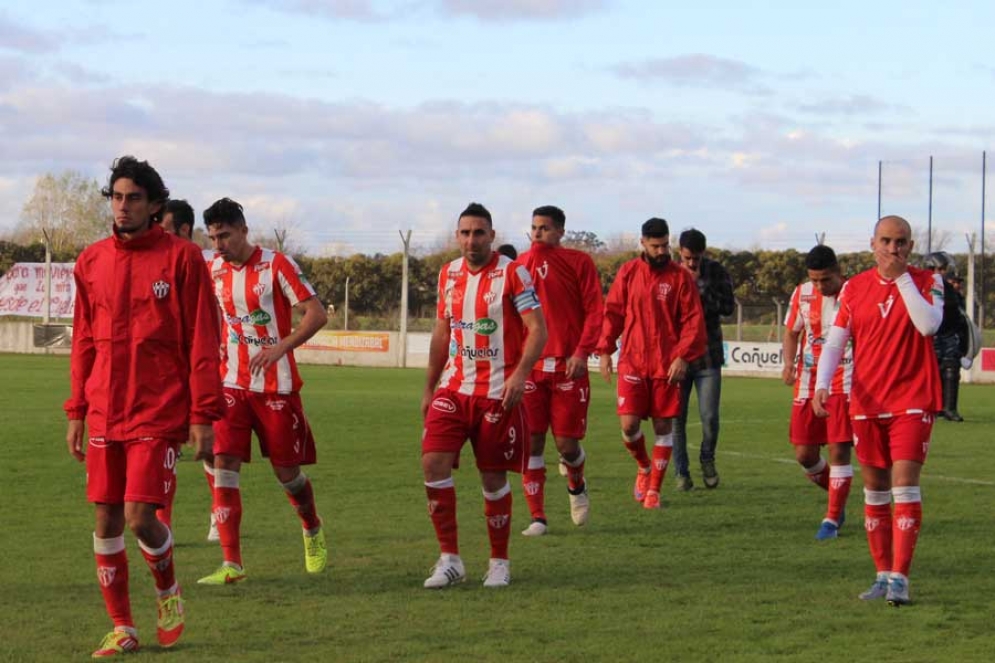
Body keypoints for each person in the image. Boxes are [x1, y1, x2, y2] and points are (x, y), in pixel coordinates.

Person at [64, 156, 223, 657]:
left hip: (159, 409)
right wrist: (76, 410)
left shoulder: (182, 259)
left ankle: (166, 589)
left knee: (139, 517)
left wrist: (202, 414)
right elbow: (84, 341)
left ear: (155, 205)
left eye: (134, 198)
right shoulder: (90, 261)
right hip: (104, 408)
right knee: (106, 521)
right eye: (116, 196)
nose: (123, 206)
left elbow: (202, 337)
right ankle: (122, 626)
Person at [198, 198, 329, 585]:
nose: (219, 244)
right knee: (224, 465)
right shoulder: (212, 268)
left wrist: (280, 347)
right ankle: (231, 563)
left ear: (243, 230)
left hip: (277, 386)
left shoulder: (277, 265)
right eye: (213, 237)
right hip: (230, 384)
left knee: (288, 474)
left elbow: (317, 313)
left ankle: (311, 526)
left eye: (225, 235)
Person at [814, 215, 943, 606]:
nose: (893, 248)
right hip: (866, 403)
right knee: (875, 492)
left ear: (910, 245)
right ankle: (882, 575)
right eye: (886, 241)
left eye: (901, 241)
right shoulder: (854, 288)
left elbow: (928, 326)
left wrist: (902, 278)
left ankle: (901, 578)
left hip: (912, 400)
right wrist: (822, 383)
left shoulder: (927, 281)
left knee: (904, 487)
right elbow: (836, 342)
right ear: (873, 244)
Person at [421, 202, 547, 588]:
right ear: (457, 236)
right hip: (454, 389)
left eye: (478, 232)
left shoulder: (513, 274)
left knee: (492, 479)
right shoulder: (449, 274)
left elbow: (537, 329)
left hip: (497, 392)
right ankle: (450, 560)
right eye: (464, 232)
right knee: (433, 465)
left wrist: (520, 375)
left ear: (492, 236)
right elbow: (443, 332)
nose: (470, 239)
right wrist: (429, 386)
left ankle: (499, 562)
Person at [597, 218, 706, 510]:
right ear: (643, 243)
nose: (661, 251)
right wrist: (606, 350)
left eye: (664, 245)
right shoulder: (629, 272)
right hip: (633, 361)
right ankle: (644, 466)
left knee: (662, 426)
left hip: (666, 365)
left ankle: (654, 491)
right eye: (655, 246)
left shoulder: (680, 278)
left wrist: (683, 356)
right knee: (629, 425)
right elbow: (614, 312)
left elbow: (693, 321)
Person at [517, 205, 603, 536]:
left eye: (545, 228)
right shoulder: (519, 266)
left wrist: (583, 352)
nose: (538, 233)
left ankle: (576, 486)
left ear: (560, 232)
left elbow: (595, 310)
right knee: (532, 442)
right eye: (534, 227)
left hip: (568, 367)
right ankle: (537, 516)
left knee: (567, 445)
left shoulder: (578, 262)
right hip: (531, 370)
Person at [159, 199, 220, 542]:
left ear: (184, 230)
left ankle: (218, 513)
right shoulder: (161, 265)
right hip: (170, 373)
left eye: (166, 230)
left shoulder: (204, 265)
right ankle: (163, 522)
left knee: (211, 447)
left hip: (209, 370)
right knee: (167, 451)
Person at [782, 245, 853, 540]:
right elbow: (791, 332)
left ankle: (832, 518)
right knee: (804, 454)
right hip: (809, 382)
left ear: (838, 272)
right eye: (815, 280)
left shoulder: (855, 292)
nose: (820, 286)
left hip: (846, 380)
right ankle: (839, 494)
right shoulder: (802, 293)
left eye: (826, 280)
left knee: (839, 450)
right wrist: (788, 363)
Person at [671, 228, 735, 491]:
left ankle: (707, 458)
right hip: (678, 358)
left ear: (704, 253)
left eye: (696, 258)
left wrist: (700, 285)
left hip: (708, 355)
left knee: (709, 417)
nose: (691, 263)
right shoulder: (670, 275)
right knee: (677, 419)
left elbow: (728, 307)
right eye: (687, 258)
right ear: (679, 253)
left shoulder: (716, 272)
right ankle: (681, 472)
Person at [923, 252, 967, 422]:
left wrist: (962, 338)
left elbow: (959, 314)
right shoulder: (921, 286)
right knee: (929, 372)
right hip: (930, 335)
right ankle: (931, 406)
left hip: (949, 334)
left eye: (943, 269)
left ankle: (949, 408)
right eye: (940, 269)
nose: (943, 272)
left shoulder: (948, 289)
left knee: (951, 369)